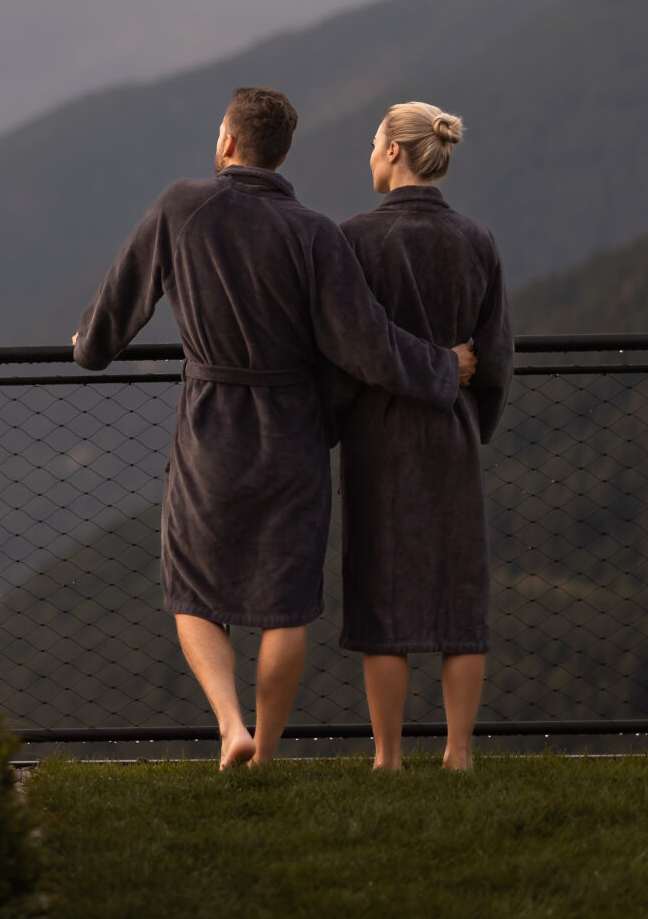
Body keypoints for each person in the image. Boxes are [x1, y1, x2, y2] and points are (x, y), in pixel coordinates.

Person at [71, 85, 473, 767]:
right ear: (282, 154)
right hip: (294, 433)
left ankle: (231, 725)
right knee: (284, 605)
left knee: (193, 589)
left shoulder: (180, 208)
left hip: (209, 428)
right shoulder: (314, 232)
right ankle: (267, 751)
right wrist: (443, 367)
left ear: (228, 142)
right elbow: (369, 344)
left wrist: (89, 346)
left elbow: (116, 306)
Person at [335, 101, 513, 772]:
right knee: (458, 591)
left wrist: (336, 417)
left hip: (377, 437)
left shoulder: (353, 240)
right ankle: (459, 751)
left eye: (373, 143)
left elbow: (347, 348)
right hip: (454, 432)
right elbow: (494, 357)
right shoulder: (478, 239)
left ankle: (387, 756)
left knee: (385, 596)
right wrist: (474, 417)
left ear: (392, 153)